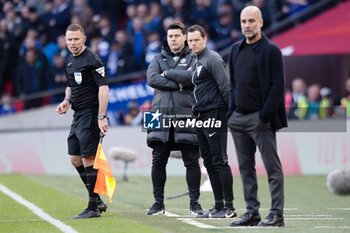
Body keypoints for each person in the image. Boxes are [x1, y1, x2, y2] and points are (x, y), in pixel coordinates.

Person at [227, 6, 287, 227]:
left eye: (251, 21)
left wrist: (263, 116)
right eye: (243, 21)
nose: (247, 26)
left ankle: (276, 214)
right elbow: (233, 85)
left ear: (260, 22)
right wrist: (231, 113)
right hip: (238, 119)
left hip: (260, 119)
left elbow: (278, 87)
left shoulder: (271, 50)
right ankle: (252, 212)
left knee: (272, 167)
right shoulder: (235, 50)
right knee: (245, 169)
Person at [146, 22, 203, 216]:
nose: (173, 39)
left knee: (192, 160)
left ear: (184, 37)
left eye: (177, 36)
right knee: (157, 161)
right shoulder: (157, 57)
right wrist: (178, 83)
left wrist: (169, 75)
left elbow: (193, 78)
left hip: (187, 112)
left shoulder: (194, 57)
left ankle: (194, 204)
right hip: (157, 114)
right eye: (170, 36)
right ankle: (158, 203)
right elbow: (151, 79)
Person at [56, 24, 109, 219]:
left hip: (90, 113)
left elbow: (104, 88)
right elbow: (70, 86)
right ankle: (96, 199)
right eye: (69, 39)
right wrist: (67, 101)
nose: (72, 43)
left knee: (88, 158)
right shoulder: (70, 60)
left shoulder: (93, 59)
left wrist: (101, 117)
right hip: (77, 114)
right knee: (75, 158)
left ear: (84, 39)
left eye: (76, 39)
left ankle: (93, 207)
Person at [187, 24, 236, 219]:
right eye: (190, 41)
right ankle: (218, 206)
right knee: (208, 161)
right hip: (201, 115)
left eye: (196, 40)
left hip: (215, 113)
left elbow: (225, 87)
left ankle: (229, 208)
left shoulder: (213, 59)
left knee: (219, 160)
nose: (193, 44)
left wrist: (230, 114)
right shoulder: (196, 60)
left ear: (204, 40)